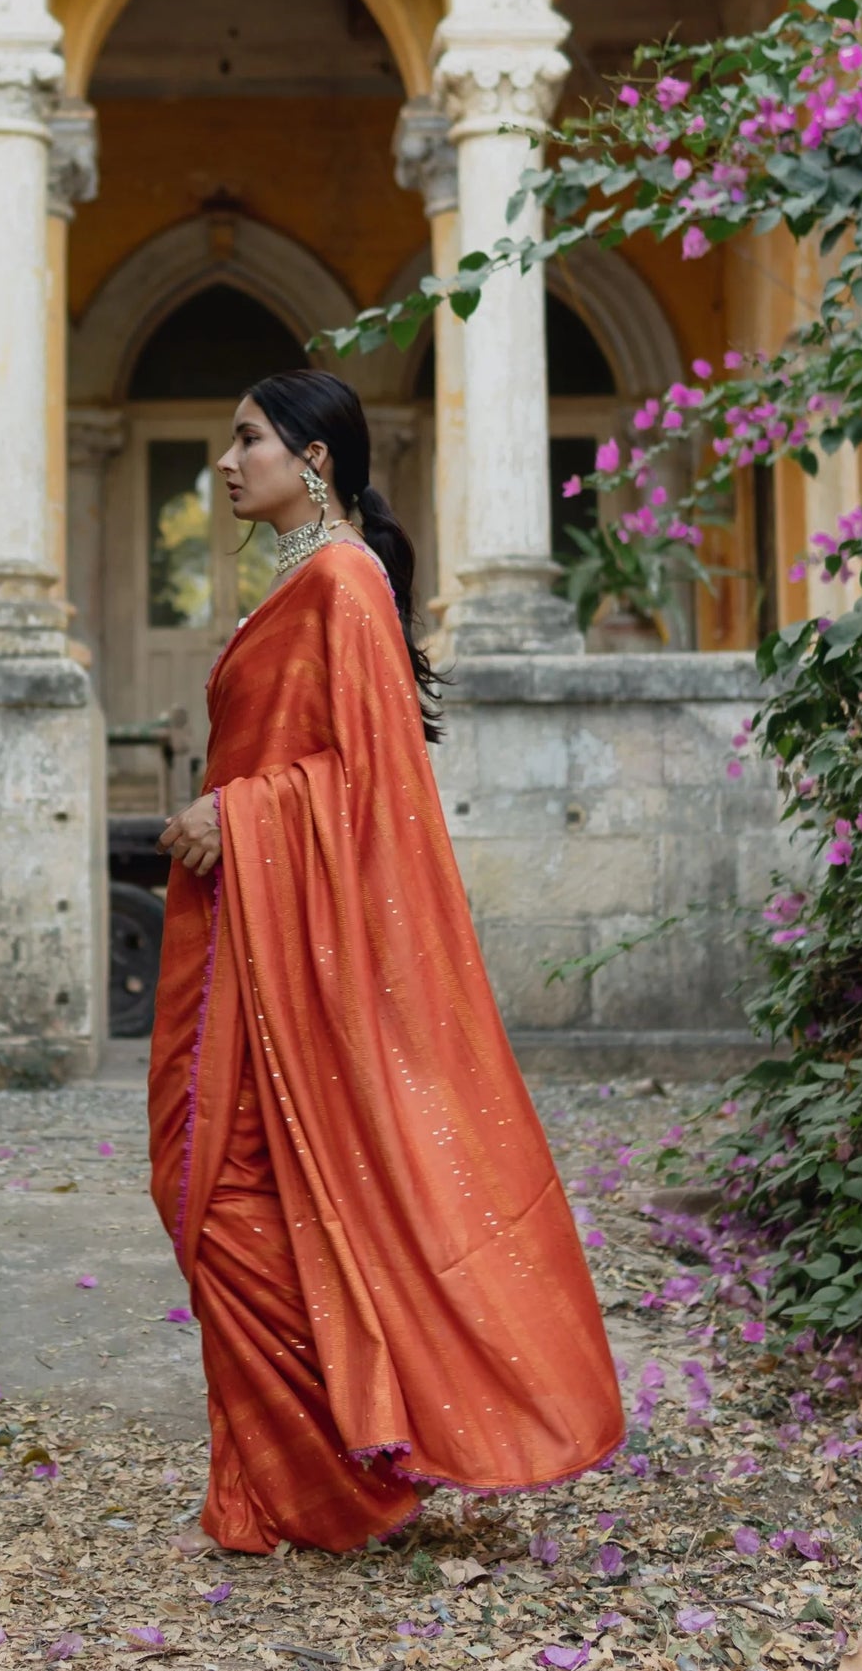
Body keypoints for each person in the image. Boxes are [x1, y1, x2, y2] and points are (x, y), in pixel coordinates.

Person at [149, 370, 624, 1556]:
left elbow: (371, 790)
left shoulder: (344, 582)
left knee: (223, 1202)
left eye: (245, 438)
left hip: (300, 950)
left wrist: (241, 815)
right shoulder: (305, 583)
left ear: (312, 458)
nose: (225, 461)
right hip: (254, 948)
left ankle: (344, 1471)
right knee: (207, 1188)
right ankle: (316, 1464)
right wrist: (238, 816)